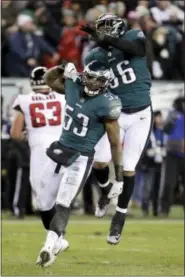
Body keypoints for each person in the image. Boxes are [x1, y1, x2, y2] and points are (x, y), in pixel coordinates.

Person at [36, 60, 123, 267]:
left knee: (63, 203)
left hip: (81, 157)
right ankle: (59, 240)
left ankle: (49, 246)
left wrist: (118, 177)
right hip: (60, 150)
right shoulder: (74, 85)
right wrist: (60, 69)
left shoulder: (108, 104)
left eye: (98, 80)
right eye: (90, 77)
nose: (93, 83)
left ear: (106, 83)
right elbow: (49, 79)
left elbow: (114, 143)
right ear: (85, 76)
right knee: (42, 203)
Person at [81, 12, 153, 245]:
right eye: (101, 28)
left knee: (129, 168)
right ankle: (104, 190)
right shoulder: (95, 55)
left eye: (108, 26)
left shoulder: (133, 36)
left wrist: (107, 40)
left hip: (141, 113)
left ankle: (119, 218)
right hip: (116, 114)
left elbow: (137, 50)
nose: (104, 30)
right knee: (99, 160)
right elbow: (91, 81)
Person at [10, 67, 69, 253]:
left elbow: (15, 133)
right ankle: (58, 237)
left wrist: (31, 135)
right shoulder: (63, 97)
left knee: (43, 201)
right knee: (59, 197)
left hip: (40, 152)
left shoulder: (24, 100)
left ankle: (57, 238)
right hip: (63, 150)